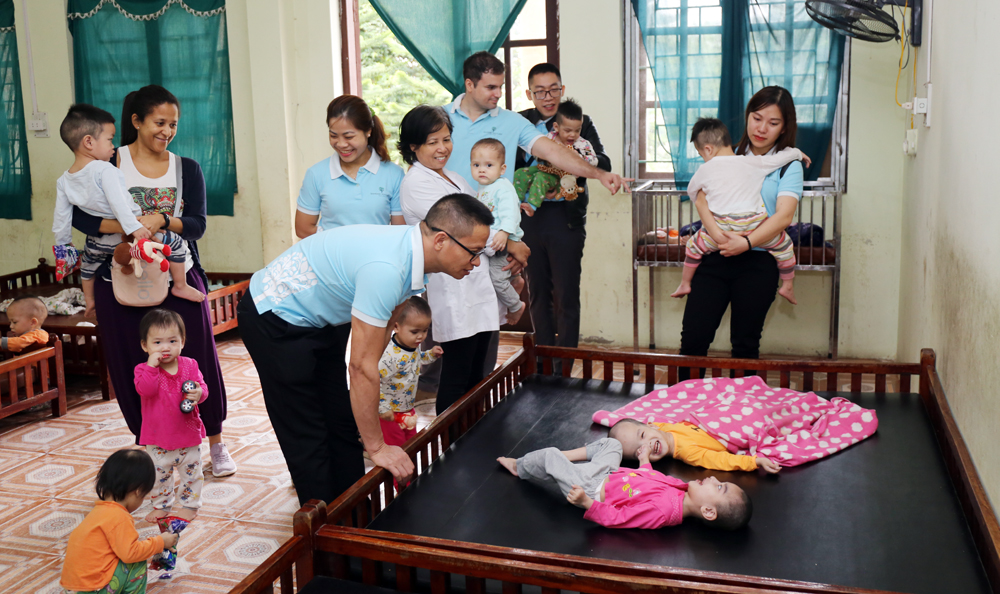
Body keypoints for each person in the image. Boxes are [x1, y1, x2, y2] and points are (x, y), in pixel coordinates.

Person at [237, 194, 494, 505]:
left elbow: (386, 327)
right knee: (307, 431)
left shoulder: (412, 252)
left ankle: (354, 515)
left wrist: (374, 383)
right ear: (441, 240)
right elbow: (360, 367)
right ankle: (324, 535)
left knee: (341, 420)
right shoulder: (387, 267)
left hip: (321, 318)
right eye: (474, 252)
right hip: (274, 316)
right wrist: (378, 447)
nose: (477, 262)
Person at [71, 85, 237, 477]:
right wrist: (128, 227)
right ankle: (148, 448)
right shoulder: (107, 163)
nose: (167, 131)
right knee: (131, 362)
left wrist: (160, 220)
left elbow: (196, 225)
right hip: (121, 278)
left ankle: (215, 441)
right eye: (159, 123)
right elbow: (81, 219)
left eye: (173, 124)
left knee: (196, 361)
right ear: (136, 121)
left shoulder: (187, 168)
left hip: (175, 274)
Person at [398, 106, 522, 414]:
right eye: (432, 142)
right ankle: (451, 446)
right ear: (414, 146)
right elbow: (462, 229)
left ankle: (475, 436)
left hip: (477, 284)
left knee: (479, 372)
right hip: (453, 287)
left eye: (447, 139)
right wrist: (507, 243)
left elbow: (484, 218)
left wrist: (512, 241)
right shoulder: (416, 183)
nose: (443, 148)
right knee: (456, 374)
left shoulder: (453, 178)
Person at [679, 86, 806, 379]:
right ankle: (684, 413)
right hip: (717, 254)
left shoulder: (789, 165)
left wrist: (746, 243)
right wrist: (718, 235)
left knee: (745, 344)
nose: (761, 128)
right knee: (694, 339)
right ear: (747, 116)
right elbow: (701, 200)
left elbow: (784, 216)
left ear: (785, 126)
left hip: (758, 262)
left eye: (773, 123)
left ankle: (743, 416)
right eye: (757, 118)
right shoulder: (727, 155)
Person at [53, 104, 203, 318]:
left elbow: (62, 217)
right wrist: (134, 228)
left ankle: (89, 302)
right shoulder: (106, 168)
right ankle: (180, 285)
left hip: (100, 243)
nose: (112, 146)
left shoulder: (63, 180)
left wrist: (63, 246)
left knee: (87, 266)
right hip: (133, 237)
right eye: (109, 140)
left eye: (172, 125)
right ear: (88, 142)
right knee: (175, 244)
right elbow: (119, 203)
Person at [514, 63, 613, 356]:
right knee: (538, 293)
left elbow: (603, 161)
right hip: (530, 217)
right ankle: (544, 360)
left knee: (566, 294)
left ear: (562, 89)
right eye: (540, 91)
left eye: (554, 89)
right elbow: (510, 166)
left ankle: (566, 364)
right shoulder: (519, 123)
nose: (548, 96)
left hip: (566, 219)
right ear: (529, 94)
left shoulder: (579, 121)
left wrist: (573, 160)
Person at [671, 118, 804, 305]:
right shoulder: (753, 163)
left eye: (701, 154)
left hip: (722, 229)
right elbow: (780, 159)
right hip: (754, 226)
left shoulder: (705, 169)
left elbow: (693, 192)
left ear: (708, 149)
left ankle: (685, 283)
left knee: (693, 246)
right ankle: (788, 285)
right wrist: (797, 153)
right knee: (784, 246)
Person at [497, 437, 752, 530]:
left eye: (719, 487)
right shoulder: (682, 488)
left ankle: (520, 466)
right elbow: (650, 481)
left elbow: (620, 518)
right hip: (608, 472)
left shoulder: (662, 512)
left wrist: (587, 503)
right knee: (613, 444)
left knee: (549, 455)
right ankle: (563, 463)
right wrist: (643, 462)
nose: (715, 479)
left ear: (708, 511)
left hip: (590, 488)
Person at [60, 449, 180, 594]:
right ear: (137, 491)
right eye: (143, 496)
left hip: (79, 586)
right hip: (98, 586)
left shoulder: (99, 511)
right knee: (136, 559)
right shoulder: (119, 516)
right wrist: (160, 542)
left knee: (125, 551)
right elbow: (131, 553)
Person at [134, 309, 209, 523]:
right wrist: (151, 366)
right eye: (157, 342)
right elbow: (145, 390)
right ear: (145, 346)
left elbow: (202, 389)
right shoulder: (142, 370)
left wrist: (199, 393)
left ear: (182, 342)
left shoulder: (190, 365)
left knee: (192, 474)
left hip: (187, 435)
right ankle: (161, 505)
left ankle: (190, 505)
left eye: (172, 341)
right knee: (159, 476)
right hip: (157, 437)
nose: (165, 347)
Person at [295, 95, 405, 238]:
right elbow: (303, 229)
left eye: (349, 137)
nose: (341, 144)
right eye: (333, 136)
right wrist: (344, 244)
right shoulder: (316, 174)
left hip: (375, 257)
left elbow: (400, 232)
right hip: (330, 257)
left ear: (368, 131)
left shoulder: (394, 175)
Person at [471, 138, 525, 325]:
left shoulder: (503, 187)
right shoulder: (484, 188)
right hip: (495, 242)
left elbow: (511, 213)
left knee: (497, 280)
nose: (482, 169)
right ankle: (516, 280)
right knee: (500, 273)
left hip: (502, 242)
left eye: (489, 165)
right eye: (476, 165)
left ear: (502, 169)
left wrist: (504, 232)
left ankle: (517, 306)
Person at [514, 98, 599, 215]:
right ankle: (515, 201)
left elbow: (594, 162)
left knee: (541, 177)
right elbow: (538, 154)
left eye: (577, 130)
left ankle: (532, 205)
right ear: (556, 127)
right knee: (520, 173)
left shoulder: (582, 144)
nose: (572, 135)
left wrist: (578, 158)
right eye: (568, 130)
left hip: (562, 178)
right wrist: (547, 157)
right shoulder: (550, 137)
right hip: (546, 168)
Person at [606, 418, 781, 474]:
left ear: (650, 426)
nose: (648, 444)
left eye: (643, 435)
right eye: (639, 450)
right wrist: (755, 462)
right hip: (733, 433)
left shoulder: (661, 427)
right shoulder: (688, 453)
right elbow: (720, 460)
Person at [378, 296, 442, 447]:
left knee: (411, 444)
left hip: (408, 408)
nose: (421, 336)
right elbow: (375, 381)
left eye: (425, 330)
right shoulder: (389, 356)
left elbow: (416, 359)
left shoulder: (411, 345)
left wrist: (431, 354)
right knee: (397, 448)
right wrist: (383, 408)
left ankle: (412, 470)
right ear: (396, 326)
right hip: (390, 414)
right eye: (414, 331)